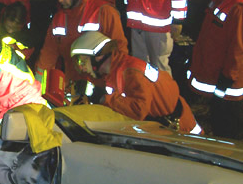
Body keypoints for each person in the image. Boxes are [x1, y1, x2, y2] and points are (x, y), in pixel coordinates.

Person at [70, 31, 202, 134]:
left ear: (98, 57)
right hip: (166, 128)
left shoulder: (132, 72)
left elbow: (139, 111)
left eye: (82, 61)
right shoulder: (115, 72)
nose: (82, 68)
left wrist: (104, 98)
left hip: (183, 132)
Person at [34, 0, 128, 90]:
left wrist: (115, 85)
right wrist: (38, 85)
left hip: (102, 85)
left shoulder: (103, 12)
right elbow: (48, 54)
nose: (60, 0)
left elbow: (120, 50)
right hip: (73, 86)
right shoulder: (59, 19)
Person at [186, 0, 243, 139]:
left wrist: (227, 79)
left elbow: (238, 49)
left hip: (230, 89)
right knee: (220, 127)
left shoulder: (238, 7)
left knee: (229, 134)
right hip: (222, 85)